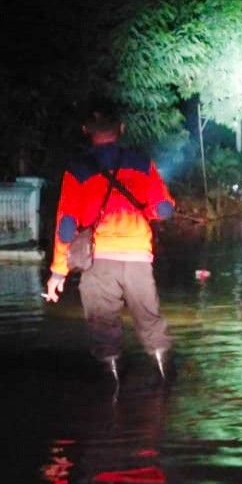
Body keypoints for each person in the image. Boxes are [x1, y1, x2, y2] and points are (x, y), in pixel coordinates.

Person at [44, 104, 176, 381]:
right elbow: (163, 209)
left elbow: (67, 226)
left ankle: (113, 397)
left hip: (99, 260)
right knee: (151, 323)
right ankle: (166, 384)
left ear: (85, 131)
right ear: (121, 129)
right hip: (138, 257)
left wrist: (58, 273)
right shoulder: (142, 164)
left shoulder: (77, 169)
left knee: (104, 327)